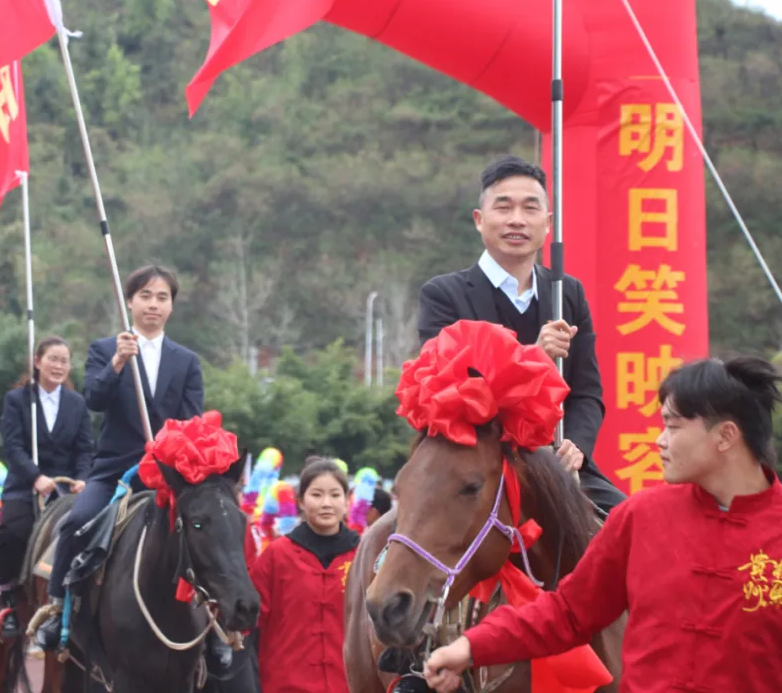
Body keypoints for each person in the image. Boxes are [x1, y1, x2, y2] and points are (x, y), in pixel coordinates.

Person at [422, 356, 782, 693]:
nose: (660, 440)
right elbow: (568, 613)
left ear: (725, 436)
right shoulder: (641, 516)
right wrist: (472, 646)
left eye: (673, 426)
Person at [416, 154, 625, 514]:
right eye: (504, 207)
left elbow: (587, 392)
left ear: (547, 224)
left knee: (630, 526)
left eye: (530, 208)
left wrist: (575, 446)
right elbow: (449, 394)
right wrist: (534, 358)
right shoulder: (444, 296)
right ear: (479, 221)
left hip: (556, 464)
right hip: (474, 462)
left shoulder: (567, 294)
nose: (517, 220)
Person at [37, 264, 204, 650]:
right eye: (145, 296)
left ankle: (217, 626)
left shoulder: (187, 361)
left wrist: (172, 455)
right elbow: (94, 401)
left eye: (162, 298)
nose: (153, 305)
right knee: (77, 521)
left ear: (171, 307)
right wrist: (116, 363)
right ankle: (58, 605)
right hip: (116, 471)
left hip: (167, 471)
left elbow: (192, 420)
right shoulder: (104, 349)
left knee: (208, 530)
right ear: (129, 301)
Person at [0, 336, 95, 638]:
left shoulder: (78, 404)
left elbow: (85, 449)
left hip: (66, 489)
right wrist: (35, 477)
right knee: (12, 534)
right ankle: (8, 601)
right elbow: (12, 446)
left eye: (64, 360)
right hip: (26, 486)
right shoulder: (17, 400)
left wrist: (83, 478)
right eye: (53, 359)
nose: (59, 366)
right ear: (37, 362)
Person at [248, 458, 360, 693]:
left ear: (347, 501)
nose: (326, 504)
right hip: (285, 684)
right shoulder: (277, 556)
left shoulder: (363, 555)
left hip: (350, 684)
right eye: (317, 495)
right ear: (301, 501)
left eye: (335, 495)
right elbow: (249, 619)